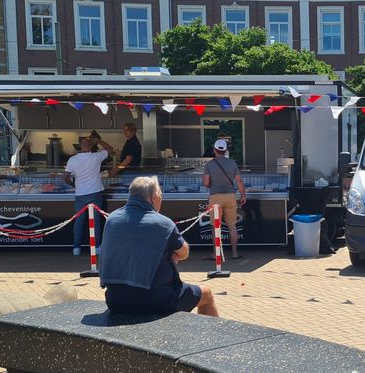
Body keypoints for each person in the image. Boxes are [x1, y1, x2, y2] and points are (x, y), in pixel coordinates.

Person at [99, 176, 218, 317]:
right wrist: (170, 254)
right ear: (154, 197)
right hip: (157, 299)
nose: (161, 199)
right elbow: (184, 253)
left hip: (115, 300)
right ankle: (210, 339)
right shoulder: (163, 224)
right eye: (161, 195)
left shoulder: (112, 219)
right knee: (207, 294)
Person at [65, 133, 114, 256]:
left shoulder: (72, 160)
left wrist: (74, 185)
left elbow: (65, 177)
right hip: (95, 193)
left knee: (79, 221)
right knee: (96, 221)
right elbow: (110, 149)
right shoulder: (96, 157)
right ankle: (97, 247)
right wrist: (99, 141)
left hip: (80, 194)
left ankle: (76, 248)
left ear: (80, 147)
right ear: (91, 146)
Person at [203, 138, 246, 259]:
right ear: (226, 150)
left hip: (215, 197)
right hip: (230, 196)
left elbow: (206, 183)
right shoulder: (232, 163)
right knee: (232, 225)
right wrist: (243, 195)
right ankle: (235, 253)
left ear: (214, 150)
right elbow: (239, 181)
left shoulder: (209, 164)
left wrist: (212, 183)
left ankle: (216, 254)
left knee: (215, 226)